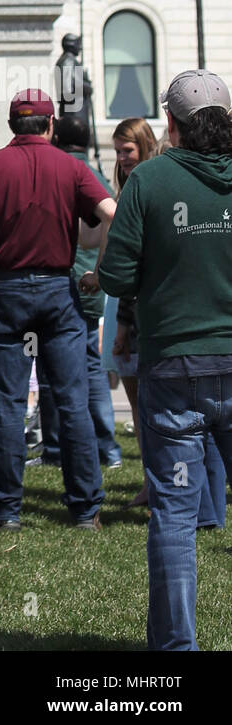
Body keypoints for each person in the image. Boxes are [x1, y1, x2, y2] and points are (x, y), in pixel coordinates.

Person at [97, 69, 232, 649]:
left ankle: (177, 651)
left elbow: (118, 275)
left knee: (175, 518)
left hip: (173, 367)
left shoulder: (148, 181)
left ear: (170, 124)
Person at [0, 89, 114, 531]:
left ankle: (6, 510)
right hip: (56, 292)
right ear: (50, 126)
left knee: (8, 404)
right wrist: (100, 274)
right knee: (71, 401)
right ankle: (85, 509)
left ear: (12, 126)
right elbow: (112, 215)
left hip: (4, 292)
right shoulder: (72, 167)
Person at [30, 115, 122, 470]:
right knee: (93, 369)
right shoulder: (96, 178)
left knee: (51, 369)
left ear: (55, 137)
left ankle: (54, 448)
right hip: (92, 290)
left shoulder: (61, 174)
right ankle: (108, 449)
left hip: (62, 287)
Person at [107, 117, 160, 507]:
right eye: (117, 152)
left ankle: (157, 482)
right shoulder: (130, 185)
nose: (122, 158)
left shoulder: (146, 185)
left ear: (144, 144)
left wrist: (124, 324)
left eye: (127, 150)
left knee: (148, 403)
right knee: (138, 400)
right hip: (125, 302)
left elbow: (135, 263)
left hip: (138, 307)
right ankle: (150, 479)